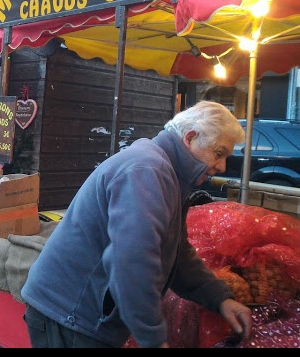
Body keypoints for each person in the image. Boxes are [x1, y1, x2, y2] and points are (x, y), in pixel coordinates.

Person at [21, 101, 253, 348]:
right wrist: (154, 339)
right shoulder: (148, 170)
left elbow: (177, 253)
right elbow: (133, 261)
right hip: (70, 315)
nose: (222, 167)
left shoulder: (167, 172)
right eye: (219, 153)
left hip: (79, 317)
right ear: (190, 138)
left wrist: (219, 298)